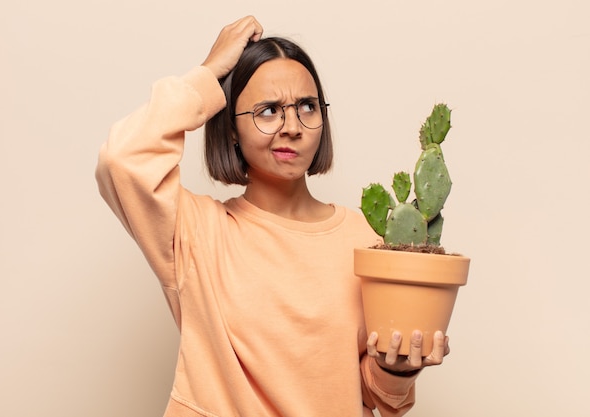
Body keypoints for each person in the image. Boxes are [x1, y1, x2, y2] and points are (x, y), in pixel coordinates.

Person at [96, 16, 450, 417]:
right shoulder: (195, 232)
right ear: (230, 127)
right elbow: (122, 158)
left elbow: (374, 397)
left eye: (306, 107)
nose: (292, 127)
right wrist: (208, 73)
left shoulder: (367, 235)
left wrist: (395, 371)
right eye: (267, 111)